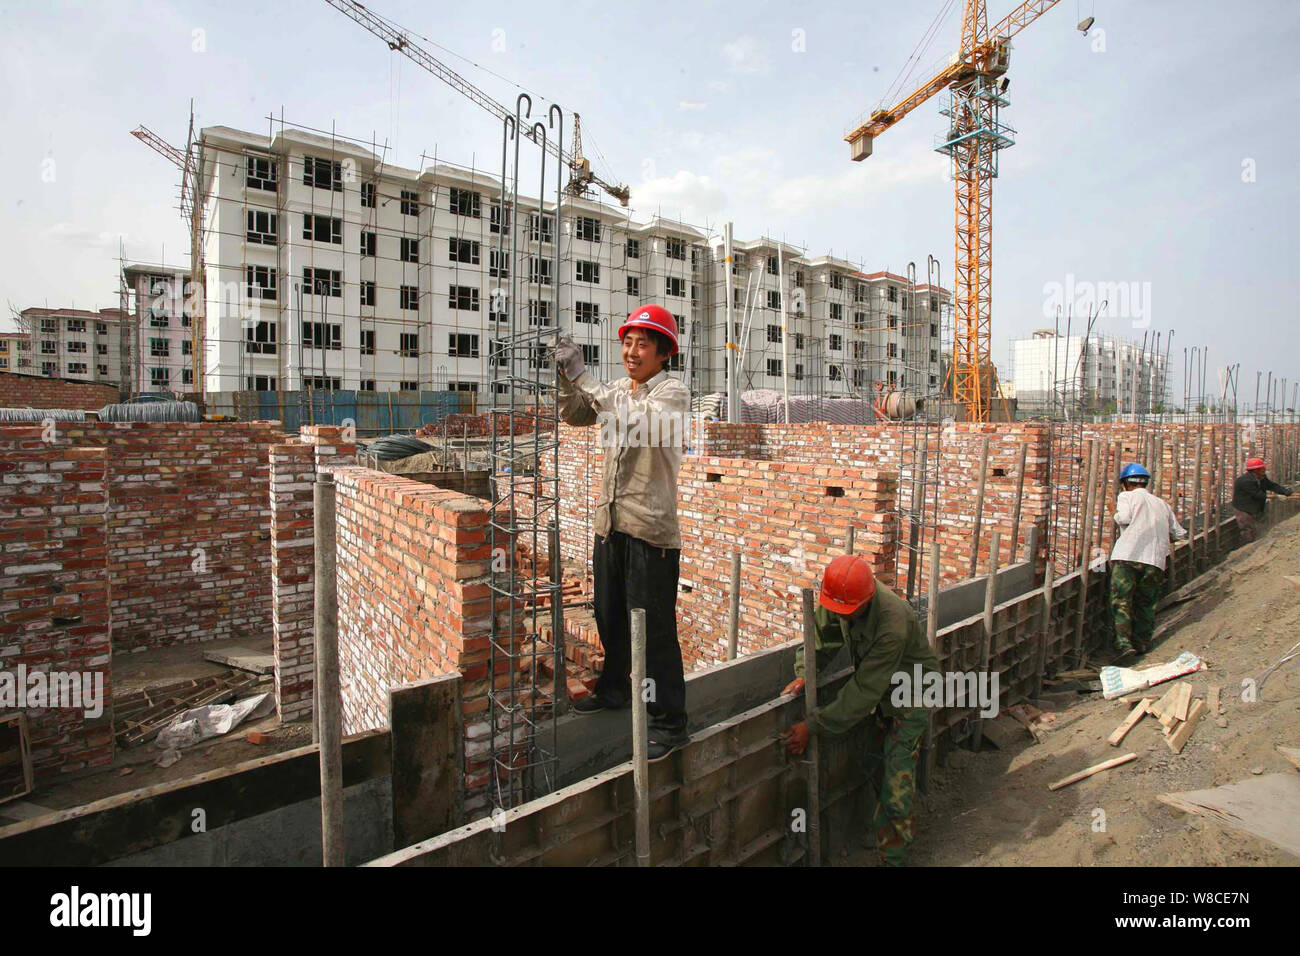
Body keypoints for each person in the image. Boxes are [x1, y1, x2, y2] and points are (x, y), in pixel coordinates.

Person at [554, 305, 691, 762]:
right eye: (628, 342)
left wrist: (586, 377)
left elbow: (636, 420)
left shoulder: (672, 394)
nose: (632, 352)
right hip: (610, 525)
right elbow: (576, 415)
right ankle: (615, 689)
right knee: (610, 616)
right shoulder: (615, 389)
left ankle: (669, 724)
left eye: (643, 344)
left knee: (653, 632)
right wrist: (566, 376)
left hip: (649, 534)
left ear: (663, 351)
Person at [780, 555, 940, 867]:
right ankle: (887, 832)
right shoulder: (841, 593)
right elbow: (821, 639)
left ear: (865, 600)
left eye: (848, 612)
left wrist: (811, 725)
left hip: (913, 693)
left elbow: (864, 692)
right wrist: (805, 671)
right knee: (876, 765)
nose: (842, 615)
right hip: (883, 689)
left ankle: (894, 859)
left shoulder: (892, 623)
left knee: (896, 780)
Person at [1109, 462, 1187, 660]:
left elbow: (1124, 518)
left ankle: (1124, 645)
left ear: (1126, 483)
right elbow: (1178, 533)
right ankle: (1142, 642)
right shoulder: (1162, 504)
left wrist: (1114, 512)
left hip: (1128, 556)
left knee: (1122, 600)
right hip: (1154, 561)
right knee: (1146, 603)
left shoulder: (1127, 496)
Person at [1231, 457, 1296, 543]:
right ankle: (1247, 548)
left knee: (1259, 526)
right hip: (1243, 509)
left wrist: (1286, 492)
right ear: (1255, 470)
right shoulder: (1245, 481)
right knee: (1248, 530)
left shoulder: (1261, 477)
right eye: (1262, 468)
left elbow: (1272, 486)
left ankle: (1258, 541)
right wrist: (1277, 496)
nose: (1264, 469)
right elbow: (1259, 495)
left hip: (1255, 507)